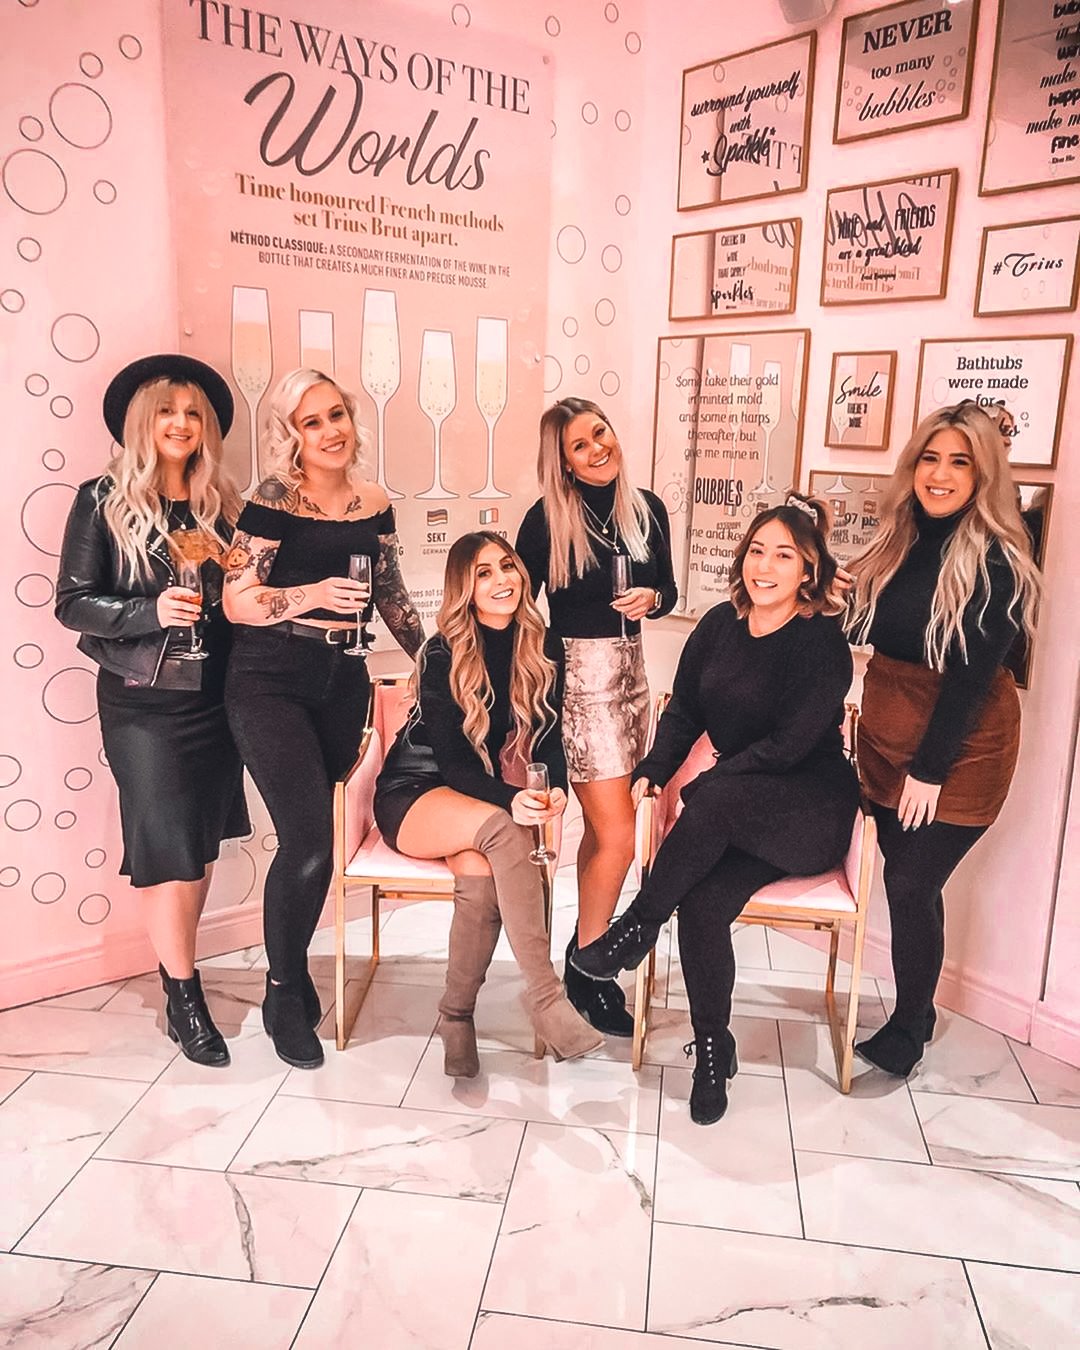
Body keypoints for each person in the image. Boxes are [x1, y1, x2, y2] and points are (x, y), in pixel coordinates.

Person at [573, 496, 859, 1124]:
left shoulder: (821, 643)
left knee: (718, 797)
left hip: (809, 810)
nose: (765, 566)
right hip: (737, 807)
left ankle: (637, 926)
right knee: (702, 905)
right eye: (757, 551)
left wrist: (710, 784)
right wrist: (654, 770)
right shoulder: (719, 625)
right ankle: (711, 1047)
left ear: (808, 571)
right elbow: (684, 713)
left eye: (783, 556)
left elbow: (788, 747)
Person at [223, 369, 425, 1070]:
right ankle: (283, 994)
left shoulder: (374, 500)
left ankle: (293, 969)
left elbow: (390, 591)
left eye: (335, 414)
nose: (330, 431)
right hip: (268, 679)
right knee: (306, 840)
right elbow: (237, 599)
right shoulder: (273, 498)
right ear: (291, 435)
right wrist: (310, 593)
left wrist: (434, 657)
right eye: (311, 422)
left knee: (327, 841)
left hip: (344, 679)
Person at [56, 353, 249, 1066]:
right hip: (143, 704)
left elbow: (238, 601)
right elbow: (73, 602)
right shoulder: (101, 499)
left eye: (193, 413)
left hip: (216, 699)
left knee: (197, 845)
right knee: (165, 845)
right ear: (143, 422)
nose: (181, 423)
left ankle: (178, 972)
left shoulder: (218, 505)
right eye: (167, 410)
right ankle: (185, 996)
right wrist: (149, 611)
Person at [847, 402, 1039, 1078]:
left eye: (960, 461)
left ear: (984, 474)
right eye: (930, 457)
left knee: (909, 881)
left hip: (961, 749)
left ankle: (907, 1027)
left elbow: (969, 682)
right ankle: (920, 1010)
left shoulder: (997, 557)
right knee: (910, 884)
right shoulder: (895, 541)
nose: (940, 473)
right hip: (885, 737)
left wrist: (929, 771)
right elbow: (863, 629)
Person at [374, 532, 604, 1076]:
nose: (502, 580)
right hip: (416, 791)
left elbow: (548, 737)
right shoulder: (442, 652)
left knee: (479, 880)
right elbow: (454, 765)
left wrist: (553, 789)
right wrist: (511, 799)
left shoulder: (542, 644)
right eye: (484, 573)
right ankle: (546, 1000)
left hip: (473, 803)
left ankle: (455, 1016)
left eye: (507, 566)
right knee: (504, 827)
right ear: (465, 589)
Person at [515, 397, 677, 1037]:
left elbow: (667, 592)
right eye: (579, 445)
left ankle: (583, 953)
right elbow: (516, 603)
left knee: (603, 834)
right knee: (618, 836)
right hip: (578, 686)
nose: (597, 448)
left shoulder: (647, 509)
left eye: (600, 433)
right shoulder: (545, 520)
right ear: (564, 463)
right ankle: (591, 967)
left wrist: (653, 597)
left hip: (633, 679)